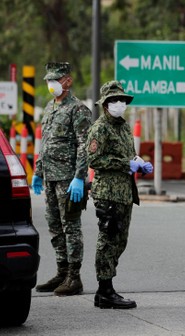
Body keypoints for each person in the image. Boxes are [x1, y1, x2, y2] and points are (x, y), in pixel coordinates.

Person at [87, 80, 153, 309]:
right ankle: (105, 290)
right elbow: (94, 159)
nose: (119, 104)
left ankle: (104, 290)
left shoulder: (124, 127)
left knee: (119, 241)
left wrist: (139, 164)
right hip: (107, 193)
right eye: (114, 100)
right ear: (105, 104)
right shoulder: (100, 128)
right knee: (108, 240)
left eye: (122, 100)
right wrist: (124, 163)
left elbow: (130, 156)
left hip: (124, 193)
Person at [32, 62, 92, 296]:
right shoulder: (50, 107)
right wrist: (38, 172)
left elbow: (84, 146)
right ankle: (62, 271)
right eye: (48, 80)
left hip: (68, 179)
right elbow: (45, 143)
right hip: (49, 177)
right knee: (55, 227)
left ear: (68, 81)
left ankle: (74, 277)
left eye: (55, 80)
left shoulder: (78, 109)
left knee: (71, 227)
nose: (51, 84)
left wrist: (79, 177)